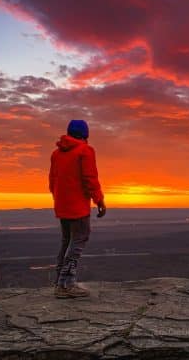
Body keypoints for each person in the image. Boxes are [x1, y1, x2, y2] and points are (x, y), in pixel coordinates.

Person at [49, 119, 106, 298]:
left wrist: (59, 198)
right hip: (78, 206)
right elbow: (90, 178)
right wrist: (99, 200)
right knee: (79, 239)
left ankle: (60, 281)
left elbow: (52, 181)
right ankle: (66, 284)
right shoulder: (85, 151)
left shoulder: (56, 154)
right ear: (85, 135)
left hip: (62, 204)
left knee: (67, 241)